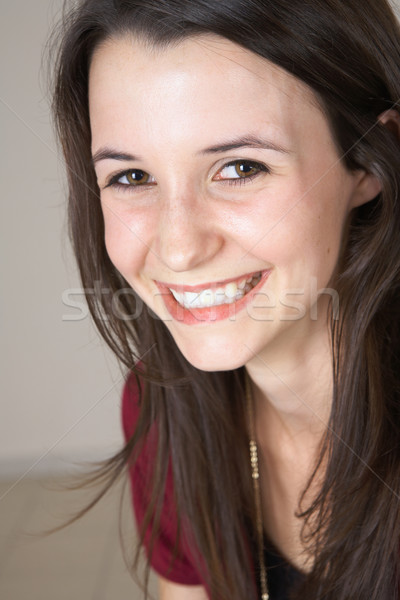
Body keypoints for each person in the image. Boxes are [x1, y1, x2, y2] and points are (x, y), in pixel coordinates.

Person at [51, 0, 400, 598]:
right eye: (132, 177)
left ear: (370, 162)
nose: (180, 248)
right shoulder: (165, 405)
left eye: (240, 167)